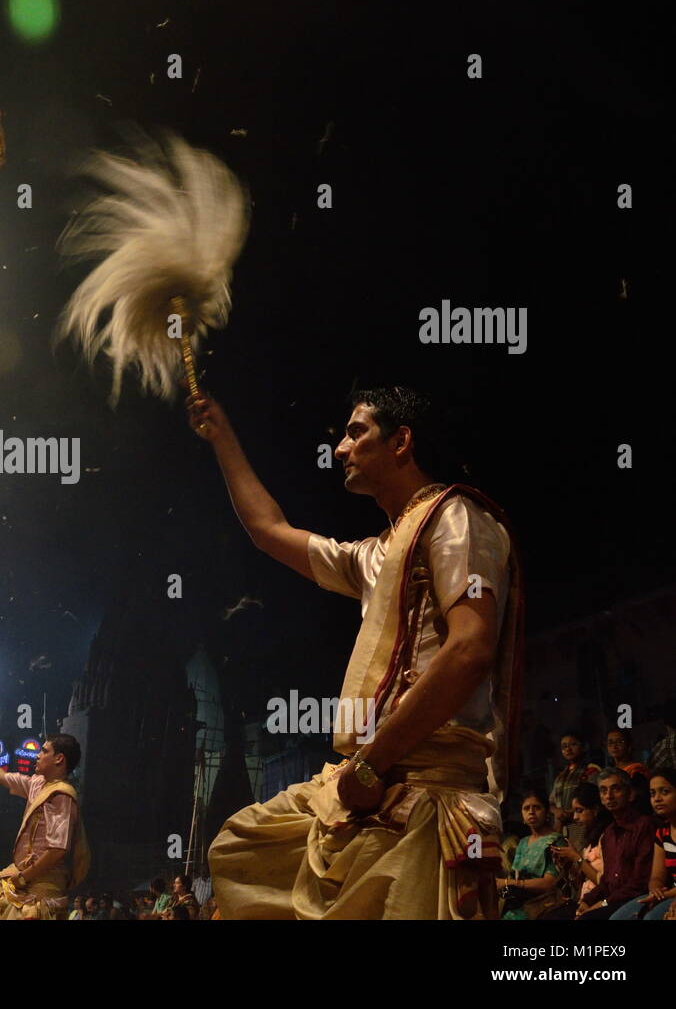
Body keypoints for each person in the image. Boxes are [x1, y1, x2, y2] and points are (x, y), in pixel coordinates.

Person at [193, 387, 522, 919]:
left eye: (356, 432)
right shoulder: (374, 555)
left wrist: (372, 764)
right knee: (242, 848)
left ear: (402, 442)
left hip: (425, 786)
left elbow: (469, 650)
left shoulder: (456, 517)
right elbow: (268, 530)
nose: (341, 449)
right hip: (365, 781)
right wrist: (222, 436)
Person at [0, 734, 90, 919]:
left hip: (43, 881)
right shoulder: (37, 784)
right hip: (19, 873)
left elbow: (57, 850)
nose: (37, 755)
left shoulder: (62, 795)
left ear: (59, 759)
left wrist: (23, 878)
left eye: (44, 751)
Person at [575, 769, 657, 920]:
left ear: (631, 794)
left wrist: (604, 903)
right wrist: (587, 901)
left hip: (635, 898)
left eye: (615, 789)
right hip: (614, 899)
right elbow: (607, 880)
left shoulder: (644, 826)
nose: (609, 796)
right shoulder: (608, 834)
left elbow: (640, 882)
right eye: (603, 791)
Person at [605, 767, 675, 920]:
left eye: (665, 792)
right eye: (652, 793)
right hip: (667, 893)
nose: (657, 799)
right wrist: (655, 889)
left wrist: (662, 895)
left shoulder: (644, 825)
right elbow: (656, 876)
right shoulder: (662, 833)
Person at [496, 789, 564, 919]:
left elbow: (549, 883)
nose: (531, 812)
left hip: (542, 904)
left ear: (547, 812)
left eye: (536, 807)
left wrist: (508, 882)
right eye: (526, 808)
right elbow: (514, 875)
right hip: (518, 902)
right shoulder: (522, 842)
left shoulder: (555, 840)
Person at [543, 784, 609, 918]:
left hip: (603, 902)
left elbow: (606, 883)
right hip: (584, 900)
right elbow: (581, 883)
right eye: (574, 812)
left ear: (595, 809)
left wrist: (576, 858)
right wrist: (568, 865)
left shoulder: (607, 837)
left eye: (580, 810)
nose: (574, 817)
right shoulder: (590, 840)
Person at [550, 732, 601, 834]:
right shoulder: (560, 777)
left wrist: (568, 813)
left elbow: (591, 800)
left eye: (573, 744)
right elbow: (551, 802)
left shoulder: (591, 770)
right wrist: (557, 812)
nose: (568, 749)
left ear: (583, 747)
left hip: (581, 825)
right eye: (564, 746)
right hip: (561, 828)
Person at [605, 727, 650, 814]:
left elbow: (640, 801)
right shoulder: (610, 771)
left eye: (620, 742)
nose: (614, 746)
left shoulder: (636, 771)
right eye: (610, 742)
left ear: (629, 746)